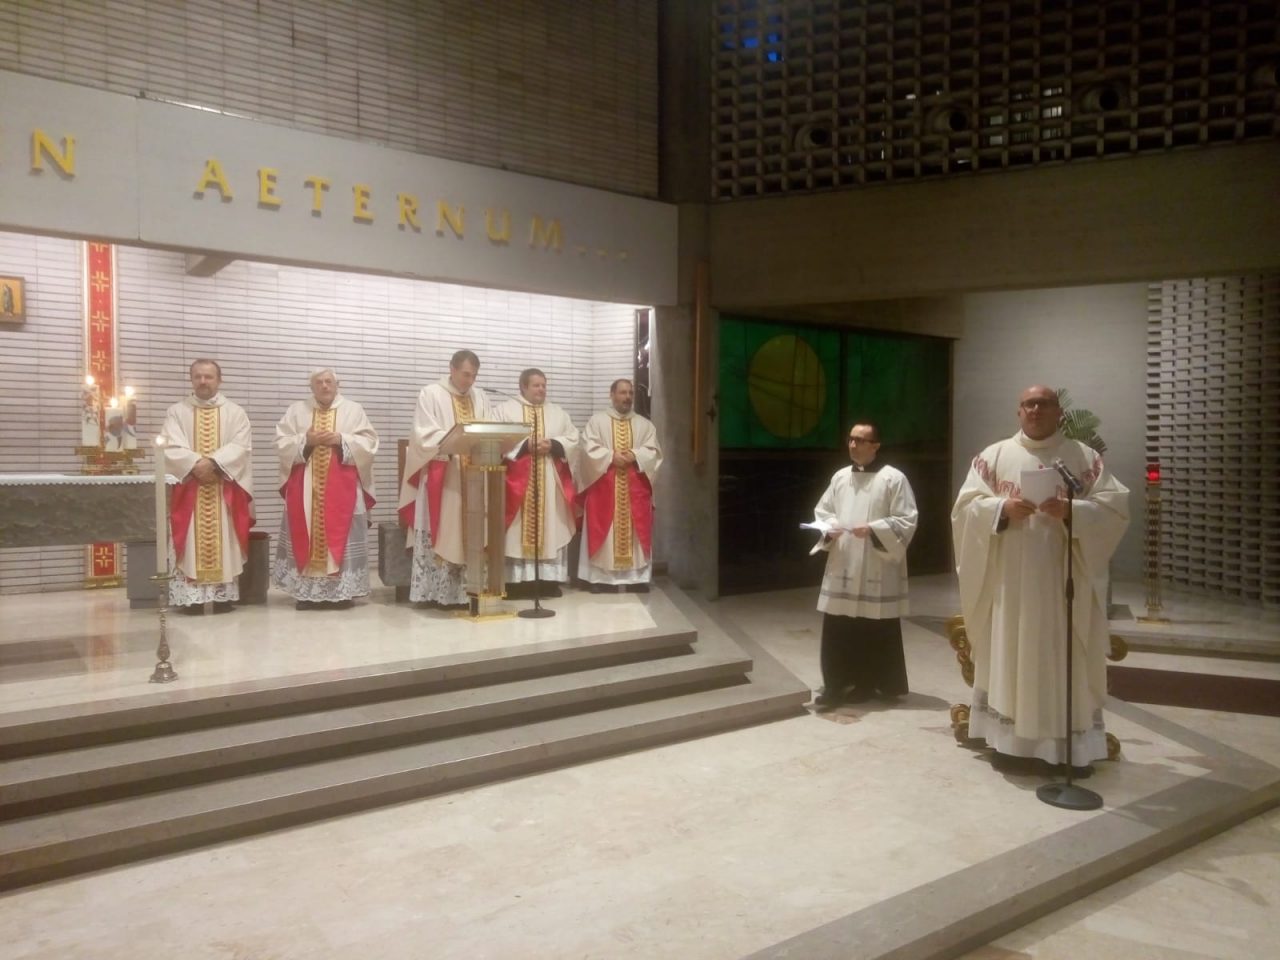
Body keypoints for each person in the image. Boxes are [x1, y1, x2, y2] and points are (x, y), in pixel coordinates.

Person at [952, 385, 1129, 775]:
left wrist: (1073, 511)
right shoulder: (992, 457)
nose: (1035, 409)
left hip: (1064, 583)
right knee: (1011, 652)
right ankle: (1011, 743)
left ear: (1058, 412)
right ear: (1019, 411)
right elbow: (964, 510)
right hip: (1010, 586)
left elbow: (1114, 509)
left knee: (1062, 655)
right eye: (1028, 404)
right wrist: (1000, 508)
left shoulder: (1084, 459)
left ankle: (1067, 746)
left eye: (1044, 403)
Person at [810, 422, 918, 708]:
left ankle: (870, 683)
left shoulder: (893, 479)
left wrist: (873, 529)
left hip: (875, 564)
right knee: (838, 625)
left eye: (861, 440)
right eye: (851, 439)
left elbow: (907, 519)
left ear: (876, 445)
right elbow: (823, 511)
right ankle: (835, 684)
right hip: (844, 561)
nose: (853, 444)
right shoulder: (840, 477)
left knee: (874, 626)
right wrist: (829, 527)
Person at [272, 368, 379, 609]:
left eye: (329, 381)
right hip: (305, 488)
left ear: (337, 384)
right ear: (311, 386)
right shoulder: (296, 411)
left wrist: (341, 439)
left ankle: (343, 592)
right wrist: (305, 441)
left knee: (342, 533)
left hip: (344, 485)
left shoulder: (354, 410)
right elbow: (281, 443)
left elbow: (370, 443)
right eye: (318, 382)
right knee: (305, 532)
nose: (324, 386)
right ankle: (306, 593)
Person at [398, 349, 493, 606]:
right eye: (465, 374)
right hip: (445, 473)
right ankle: (437, 594)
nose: (470, 381)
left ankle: (469, 590)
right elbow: (423, 433)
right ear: (451, 369)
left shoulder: (481, 397)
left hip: (474, 476)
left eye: (474, 376)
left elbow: (490, 428)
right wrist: (455, 441)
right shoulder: (430, 394)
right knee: (444, 529)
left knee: (472, 530)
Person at [162, 359, 254, 613]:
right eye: (198, 377)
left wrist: (214, 463)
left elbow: (241, 446)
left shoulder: (235, 412)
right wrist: (195, 464)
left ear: (219, 379)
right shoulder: (176, 412)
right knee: (190, 539)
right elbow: (171, 446)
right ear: (191, 379)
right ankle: (192, 598)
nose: (203, 381)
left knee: (227, 539)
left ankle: (222, 597)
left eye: (208, 377)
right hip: (190, 487)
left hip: (222, 489)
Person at [495, 368, 579, 594]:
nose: (541, 389)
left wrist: (553, 444)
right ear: (522, 386)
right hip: (517, 484)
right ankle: (516, 583)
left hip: (549, 482)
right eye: (536, 385)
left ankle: (548, 582)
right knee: (515, 532)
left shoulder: (558, 413)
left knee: (551, 527)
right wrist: (524, 445)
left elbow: (573, 438)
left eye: (544, 385)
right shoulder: (505, 410)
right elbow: (495, 438)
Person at [578, 378, 663, 591]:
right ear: (612, 394)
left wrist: (635, 454)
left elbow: (654, 452)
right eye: (623, 393)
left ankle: (636, 579)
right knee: (604, 534)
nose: (627, 397)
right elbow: (587, 449)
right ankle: (601, 580)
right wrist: (609, 456)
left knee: (636, 532)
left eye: (630, 393)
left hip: (635, 490)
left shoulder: (644, 425)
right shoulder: (597, 422)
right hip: (604, 488)